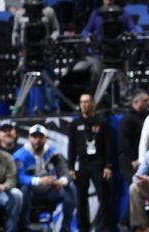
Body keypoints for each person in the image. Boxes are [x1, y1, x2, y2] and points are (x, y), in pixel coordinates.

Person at [13, 124, 75, 232]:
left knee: (70, 188)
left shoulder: (53, 152)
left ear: (46, 138)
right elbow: (19, 177)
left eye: (41, 137)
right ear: (29, 138)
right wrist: (39, 181)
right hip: (31, 194)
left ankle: (65, 227)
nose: (37, 140)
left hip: (50, 191)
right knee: (24, 189)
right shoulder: (20, 155)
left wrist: (61, 181)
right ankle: (24, 227)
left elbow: (64, 170)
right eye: (34, 137)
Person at [67, 94, 114, 232]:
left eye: (87, 102)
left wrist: (108, 166)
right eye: (81, 102)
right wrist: (70, 167)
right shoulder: (75, 124)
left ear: (93, 103)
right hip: (82, 163)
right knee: (81, 197)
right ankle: (83, 227)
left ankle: (105, 227)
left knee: (103, 197)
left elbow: (108, 146)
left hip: (98, 163)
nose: (84, 105)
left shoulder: (102, 123)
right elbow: (71, 147)